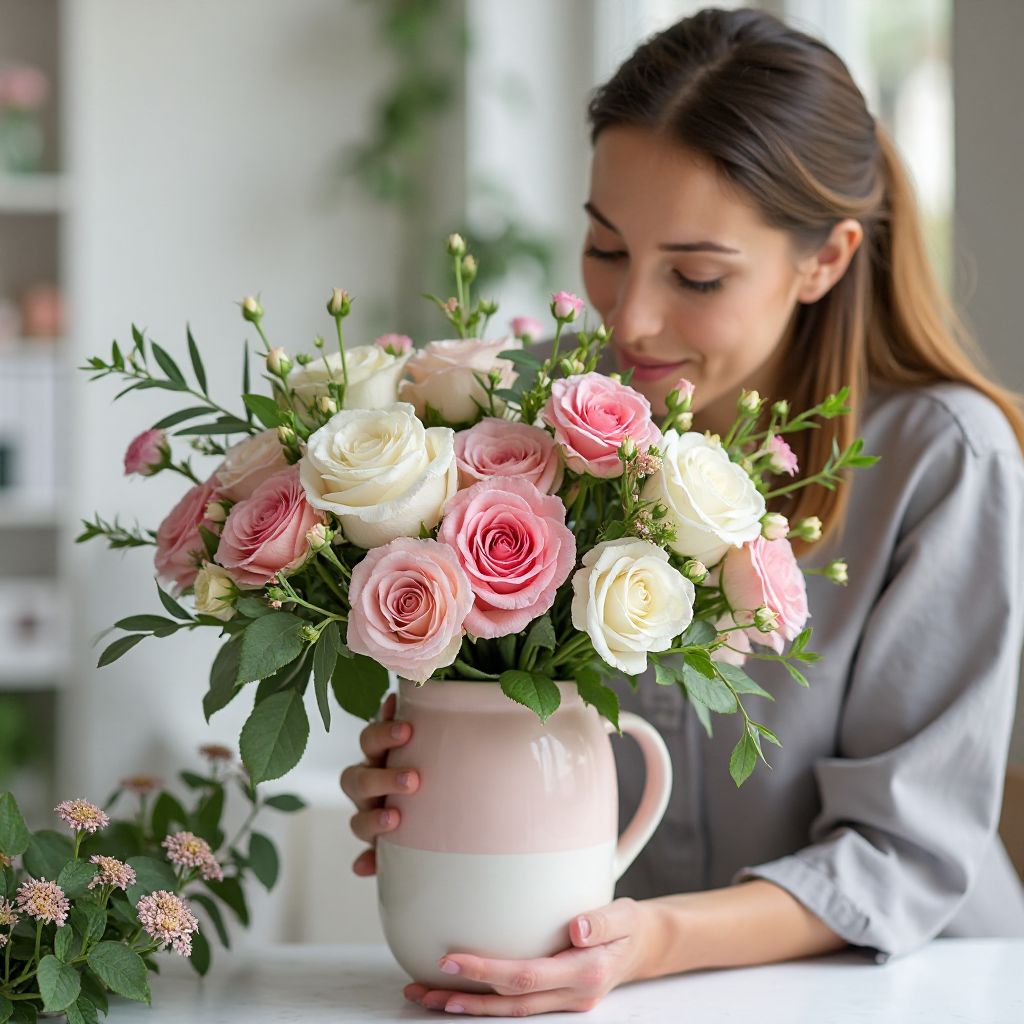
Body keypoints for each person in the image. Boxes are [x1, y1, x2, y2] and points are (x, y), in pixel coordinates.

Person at [339, 6, 1024, 1016]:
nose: (630, 319)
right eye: (605, 248)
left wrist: (652, 939)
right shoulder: (514, 425)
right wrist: (429, 768)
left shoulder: (940, 459)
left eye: (696, 274)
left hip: (911, 991)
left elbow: (901, 851)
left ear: (825, 259)